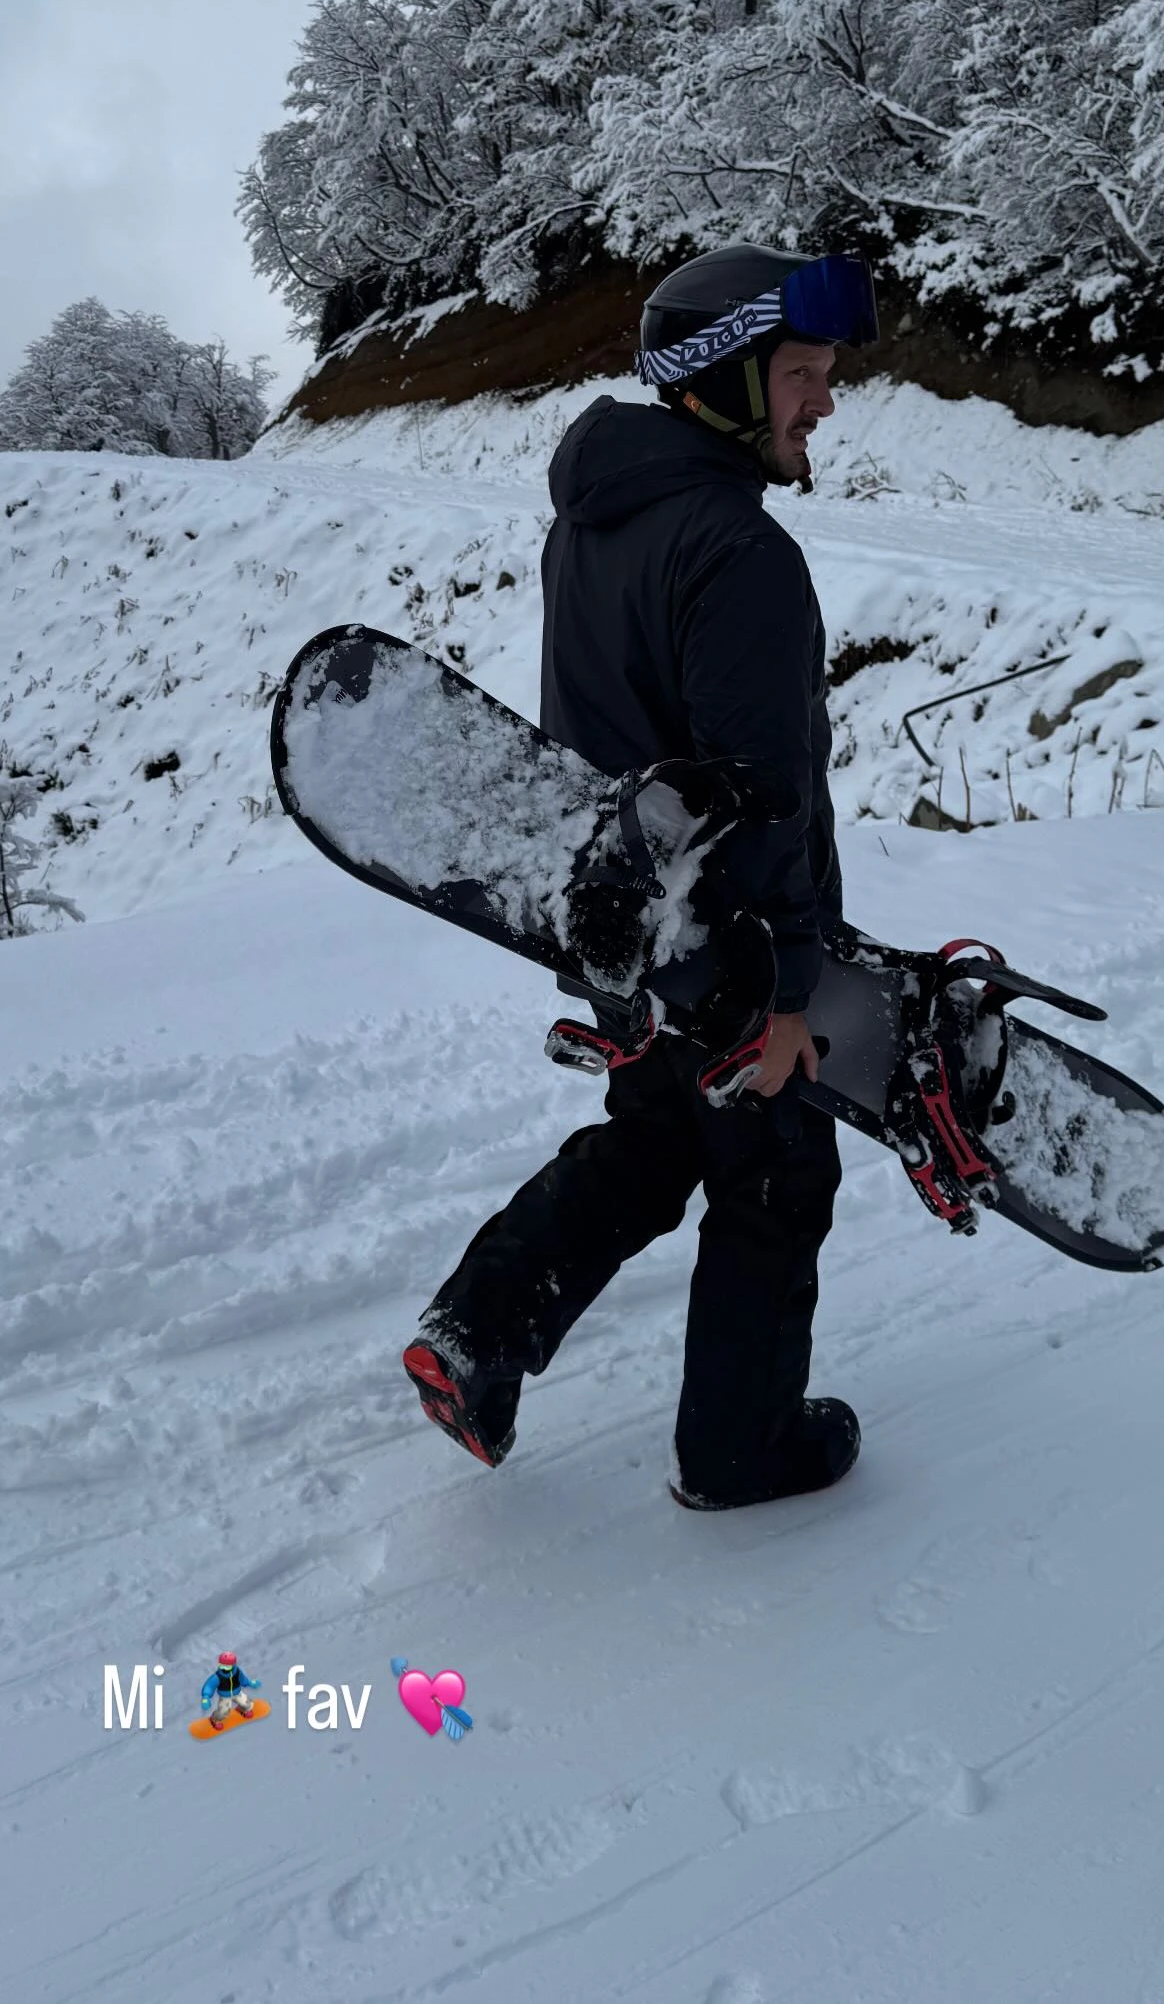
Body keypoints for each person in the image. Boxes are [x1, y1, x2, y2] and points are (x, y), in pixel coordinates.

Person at [403, 244, 881, 1510]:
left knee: (657, 1136)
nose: (826, 400)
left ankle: (476, 1332)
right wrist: (788, 991)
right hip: (728, 945)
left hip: (623, 925)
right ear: (725, 378)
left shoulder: (594, 516)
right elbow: (761, 793)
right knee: (777, 1174)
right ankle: (741, 1451)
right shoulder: (740, 550)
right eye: (802, 372)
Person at [200, 1652, 260, 1728]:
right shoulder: (217, 1676)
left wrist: (250, 1683)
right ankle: (215, 1720)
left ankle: (242, 1709)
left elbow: (243, 1679)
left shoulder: (237, 1672)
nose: (224, 1669)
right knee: (223, 1712)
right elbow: (209, 1686)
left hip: (237, 1693)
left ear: (232, 1665)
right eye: (221, 1666)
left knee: (248, 1704)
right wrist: (206, 1697)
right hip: (225, 1696)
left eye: (227, 1667)